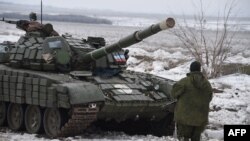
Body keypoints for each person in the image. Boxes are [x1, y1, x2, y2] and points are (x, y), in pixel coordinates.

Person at [171, 61, 213, 141]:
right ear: (199, 70)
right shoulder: (207, 84)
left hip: (184, 119)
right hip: (200, 119)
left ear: (190, 69)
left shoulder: (184, 82)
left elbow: (173, 94)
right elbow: (209, 98)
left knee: (183, 138)